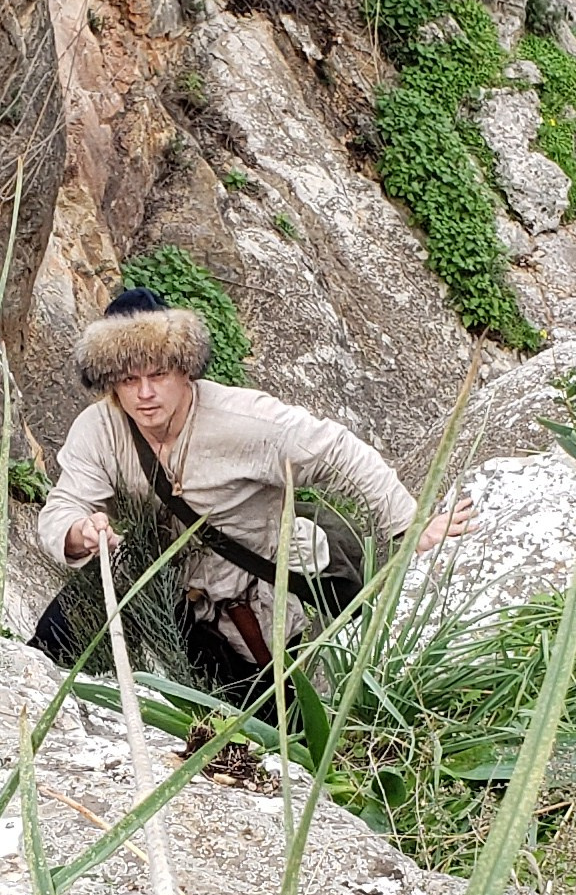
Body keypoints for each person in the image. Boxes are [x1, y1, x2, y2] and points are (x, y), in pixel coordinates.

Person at [32, 286, 468, 700]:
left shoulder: (244, 420)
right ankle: (30, 689)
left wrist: (409, 523)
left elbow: (339, 452)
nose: (145, 394)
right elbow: (65, 505)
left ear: (184, 370)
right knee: (82, 606)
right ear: (112, 383)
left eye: (158, 374)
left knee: (280, 722)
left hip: (266, 596)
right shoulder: (99, 429)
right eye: (129, 380)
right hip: (181, 602)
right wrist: (79, 532)